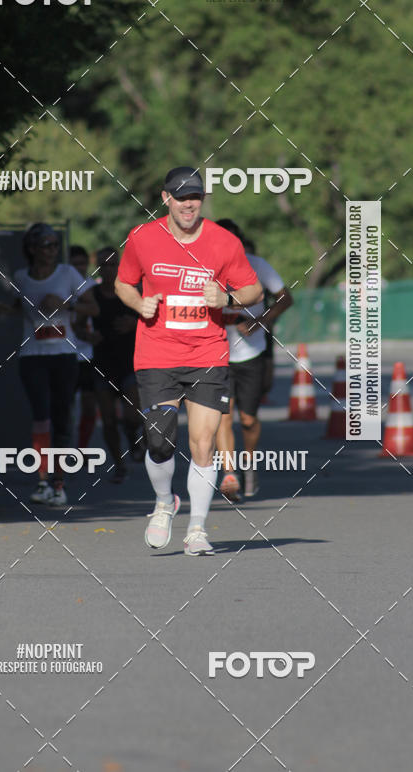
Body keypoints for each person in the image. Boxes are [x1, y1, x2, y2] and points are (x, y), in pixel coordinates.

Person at [115, 167, 263, 555]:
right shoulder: (142, 237)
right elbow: (122, 283)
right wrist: (139, 303)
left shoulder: (224, 242)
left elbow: (254, 289)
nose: (188, 204)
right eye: (181, 197)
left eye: (195, 196)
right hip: (157, 352)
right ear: (165, 198)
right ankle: (165, 502)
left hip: (207, 354)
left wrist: (227, 299)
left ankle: (197, 529)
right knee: (159, 440)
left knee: (203, 442)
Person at [0, 223, 98, 506]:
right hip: (32, 355)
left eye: (55, 245)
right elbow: (22, 305)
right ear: (31, 249)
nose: (51, 250)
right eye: (45, 245)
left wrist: (67, 305)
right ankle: (43, 482)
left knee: (62, 416)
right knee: (41, 416)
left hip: (64, 355)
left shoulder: (67, 273)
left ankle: (59, 484)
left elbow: (93, 307)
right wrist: (6, 310)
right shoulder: (21, 277)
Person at [215, 219, 293, 500]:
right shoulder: (204, 267)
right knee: (223, 417)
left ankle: (248, 464)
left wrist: (260, 321)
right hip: (216, 354)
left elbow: (285, 298)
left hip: (251, 353)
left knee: (248, 419)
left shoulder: (257, 265)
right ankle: (229, 473)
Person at [90, 246, 144, 483]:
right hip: (102, 364)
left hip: (129, 362)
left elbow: (153, 318)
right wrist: (86, 335)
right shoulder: (91, 294)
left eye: (113, 264)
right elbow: (77, 322)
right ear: (97, 268)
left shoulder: (132, 292)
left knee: (133, 417)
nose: (109, 269)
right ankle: (119, 465)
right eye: (104, 265)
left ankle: (133, 438)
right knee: (109, 420)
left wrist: (135, 324)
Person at [69, 245, 98, 450]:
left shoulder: (92, 287)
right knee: (65, 407)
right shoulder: (61, 285)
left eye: (82, 263)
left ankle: (82, 448)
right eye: (75, 264)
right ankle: (62, 449)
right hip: (66, 353)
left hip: (88, 355)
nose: (79, 267)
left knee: (89, 406)